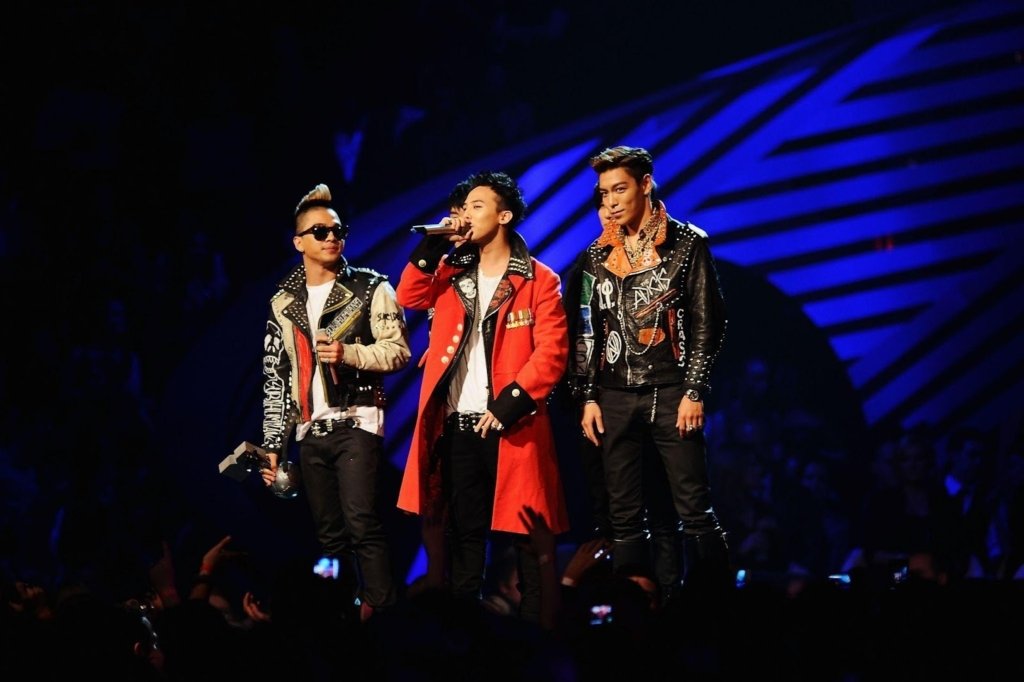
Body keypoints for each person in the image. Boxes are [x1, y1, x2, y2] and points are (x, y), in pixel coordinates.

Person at [395, 170, 570, 624]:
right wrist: (435, 242)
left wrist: (509, 404)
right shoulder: (452, 271)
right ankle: (463, 636)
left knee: (526, 535)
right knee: (463, 537)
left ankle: (535, 636)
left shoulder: (539, 279)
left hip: (513, 423)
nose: (466, 214)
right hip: (458, 422)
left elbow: (552, 353)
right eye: (464, 207)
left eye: (477, 206)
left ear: (504, 216)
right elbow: (409, 294)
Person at [571, 145, 731, 594]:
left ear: (645, 185)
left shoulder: (687, 243)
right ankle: (636, 611)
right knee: (624, 514)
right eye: (604, 193)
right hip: (613, 394)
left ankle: (716, 607)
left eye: (619, 189)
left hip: (672, 390)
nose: (611, 201)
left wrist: (694, 390)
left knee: (692, 508)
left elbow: (708, 321)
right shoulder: (596, 255)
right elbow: (587, 329)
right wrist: (587, 396)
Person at [259, 182, 411, 620]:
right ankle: (336, 616)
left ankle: (383, 616)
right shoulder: (283, 301)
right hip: (310, 428)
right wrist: (273, 444)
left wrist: (350, 354)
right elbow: (276, 376)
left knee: (361, 521)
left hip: (357, 419)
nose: (331, 237)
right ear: (298, 242)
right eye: (320, 231)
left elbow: (398, 351)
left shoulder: (370, 287)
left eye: (337, 230)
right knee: (328, 536)